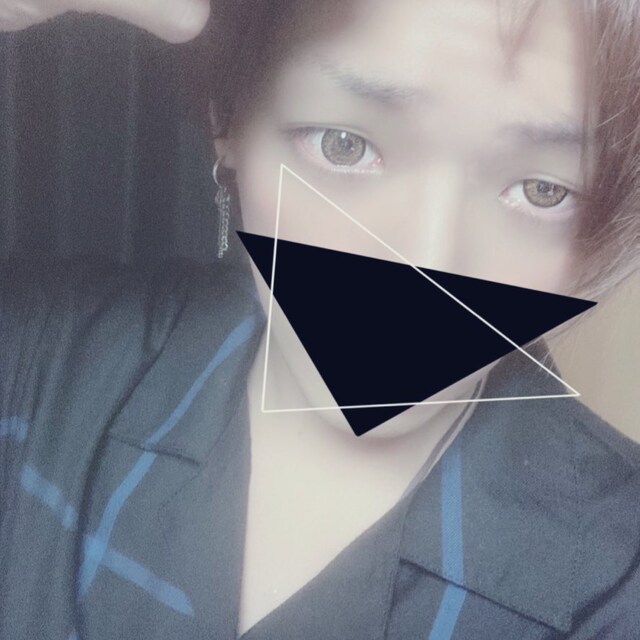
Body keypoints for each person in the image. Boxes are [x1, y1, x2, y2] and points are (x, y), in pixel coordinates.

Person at [0, 1, 639, 639]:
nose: (426, 270)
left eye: (542, 190)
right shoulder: (43, 359)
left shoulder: (618, 580)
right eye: (344, 145)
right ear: (229, 117)